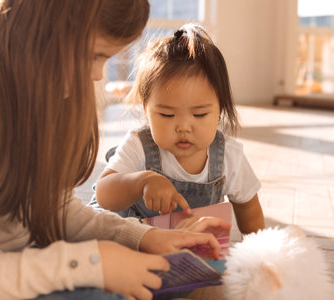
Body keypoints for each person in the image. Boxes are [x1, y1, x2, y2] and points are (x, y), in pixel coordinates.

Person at [0, 2, 231, 300]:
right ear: (43, 30)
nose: (97, 75)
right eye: (93, 56)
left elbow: (54, 210)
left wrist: (144, 237)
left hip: (17, 262)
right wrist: (96, 262)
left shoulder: (28, 87)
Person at [91, 23, 265, 235]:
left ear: (220, 109)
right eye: (167, 115)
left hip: (188, 249)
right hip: (133, 237)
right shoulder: (139, 145)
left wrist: (257, 253)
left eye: (200, 114)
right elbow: (103, 193)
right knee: (99, 233)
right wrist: (143, 181)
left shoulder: (229, 156)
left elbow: (248, 208)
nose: (183, 127)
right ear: (146, 111)